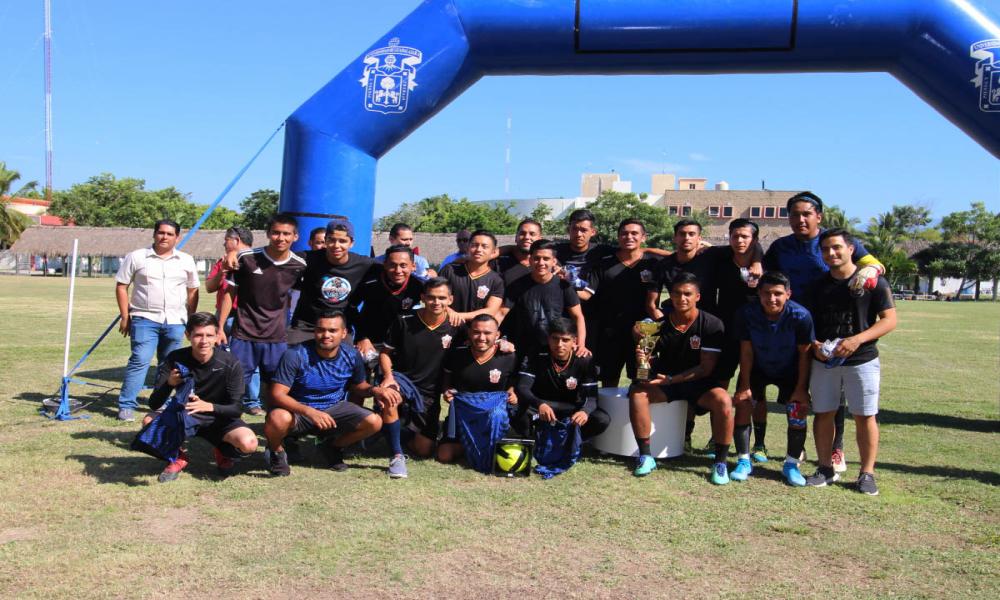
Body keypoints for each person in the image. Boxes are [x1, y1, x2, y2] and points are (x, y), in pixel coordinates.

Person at [763, 191, 885, 473]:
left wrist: (873, 271)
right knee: (802, 388)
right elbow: (766, 276)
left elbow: (873, 264)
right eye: (794, 214)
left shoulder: (834, 241)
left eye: (806, 214)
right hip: (795, 327)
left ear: (819, 216)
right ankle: (799, 446)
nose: (800, 219)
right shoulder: (781, 247)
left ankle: (836, 448)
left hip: (832, 326)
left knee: (835, 394)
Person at [806, 229, 896, 495]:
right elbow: (808, 324)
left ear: (851, 249)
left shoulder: (873, 282)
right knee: (823, 413)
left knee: (865, 415)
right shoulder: (817, 285)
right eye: (825, 249)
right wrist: (815, 346)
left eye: (836, 247)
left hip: (862, 360)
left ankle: (866, 473)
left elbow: (889, 320)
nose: (831, 253)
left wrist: (857, 340)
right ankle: (824, 468)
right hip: (825, 361)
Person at [628, 273, 735, 485]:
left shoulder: (712, 324)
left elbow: (705, 368)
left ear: (698, 297)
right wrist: (641, 356)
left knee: (723, 400)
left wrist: (670, 379)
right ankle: (646, 456)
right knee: (637, 393)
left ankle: (720, 463)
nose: (681, 298)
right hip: (668, 383)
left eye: (687, 294)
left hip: (698, 384)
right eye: (677, 293)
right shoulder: (657, 326)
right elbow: (643, 368)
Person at [265, 311, 388, 476]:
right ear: (314, 331)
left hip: (333, 410)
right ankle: (276, 451)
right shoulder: (294, 354)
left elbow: (358, 386)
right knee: (277, 418)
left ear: (344, 333)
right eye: (321, 330)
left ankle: (332, 446)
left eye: (332, 330)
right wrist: (310, 412)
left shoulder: (351, 355)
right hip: (299, 412)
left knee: (374, 422)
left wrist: (374, 390)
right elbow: (276, 395)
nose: (326, 335)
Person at [146, 312, 258, 482]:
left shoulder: (230, 363)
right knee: (148, 423)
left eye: (209, 335)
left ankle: (223, 449)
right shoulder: (175, 359)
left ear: (217, 336)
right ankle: (178, 457)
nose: (204, 341)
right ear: (188, 335)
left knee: (249, 443)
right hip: (186, 415)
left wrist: (209, 406)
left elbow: (237, 408)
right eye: (198, 335)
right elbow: (154, 404)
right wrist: (169, 383)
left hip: (219, 417)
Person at [217, 214, 306, 418]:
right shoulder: (246, 258)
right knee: (233, 386)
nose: (280, 238)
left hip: (277, 338)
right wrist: (220, 327)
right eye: (276, 232)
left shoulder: (299, 266)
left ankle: (275, 435)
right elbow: (230, 294)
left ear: (295, 236)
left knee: (277, 390)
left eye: (286, 234)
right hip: (243, 335)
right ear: (267, 234)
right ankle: (227, 433)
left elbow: (298, 299)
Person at [732, 271, 815, 486]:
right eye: (766, 293)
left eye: (778, 293)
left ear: (788, 294)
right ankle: (743, 460)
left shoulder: (801, 316)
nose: (772, 299)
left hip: (790, 370)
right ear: (758, 293)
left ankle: (791, 464)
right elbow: (746, 351)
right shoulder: (746, 313)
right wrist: (744, 384)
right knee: (743, 404)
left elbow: (805, 355)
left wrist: (801, 388)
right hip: (758, 367)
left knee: (797, 410)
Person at [114, 219, 200, 421]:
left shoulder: (186, 260)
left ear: (177, 237)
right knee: (140, 360)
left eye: (170, 234)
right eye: (161, 233)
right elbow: (121, 286)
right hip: (145, 317)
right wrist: (125, 316)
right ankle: (127, 405)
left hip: (175, 320)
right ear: (154, 234)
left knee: (169, 365)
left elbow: (193, 289)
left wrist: (190, 319)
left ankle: (160, 402)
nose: (164, 237)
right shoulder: (137, 257)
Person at [379, 277, 463, 460]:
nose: (436, 302)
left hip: (430, 393)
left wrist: (503, 344)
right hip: (401, 380)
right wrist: (388, 377)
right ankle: (396, 453)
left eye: (442, 298)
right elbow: (385, 353)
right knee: (389, 396)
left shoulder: (457, 327)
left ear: (450, 300)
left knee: (424, 450)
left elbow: (481, 342)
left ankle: (391, 430)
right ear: (422, 298)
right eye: (431, 297)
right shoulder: (403, 321)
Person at [585, 219, 660, 387]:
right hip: (610, 332)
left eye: (634, 233)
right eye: (624, 233)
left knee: (643, 378)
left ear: (643, 237)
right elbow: (587, 293)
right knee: (608, 380)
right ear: (618, 237)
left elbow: (677, 257)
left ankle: (638, 412)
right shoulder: (604, 264)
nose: (629, 237)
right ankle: (609, 414)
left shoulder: (654, 264)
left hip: (645, 331)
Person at [438, 315, 519, 466]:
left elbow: (513, 382)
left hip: (492, 416)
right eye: (476, 332)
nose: (481, 337)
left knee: (497, 415)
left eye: (488, 333)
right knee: (444, 455)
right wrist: (447, 391)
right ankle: (473, 446)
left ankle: (485, 444)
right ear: (469, 333)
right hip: (463, 415)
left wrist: (512, 392)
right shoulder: (457, 354)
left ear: (497, 335)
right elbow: (447, 381)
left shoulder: (508, 356)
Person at [514, 318, 610, 443]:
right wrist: (539, 404)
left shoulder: (585, 360)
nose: (559, 344)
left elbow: (591, 397)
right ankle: (533, 440)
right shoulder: (536, 354)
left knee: (601, 419)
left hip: (571, 409)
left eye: (565, 340)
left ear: (574, 341)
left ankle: (571, 442)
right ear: (548, 339)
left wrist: (584, 412)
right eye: (555, 338)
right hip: (541, 407)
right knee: (514, 409)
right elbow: (522, 387)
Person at [289, 218, 374, 345]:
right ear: (326, 240)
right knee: (289, 357)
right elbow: (278, 261)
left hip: (340, 328)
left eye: (342, 241)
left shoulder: (364, 264)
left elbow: (393, 271)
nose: (336, 245)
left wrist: (364, 337)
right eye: (332, 240)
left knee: (352, 361)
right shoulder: (307, 259)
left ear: (351, 243)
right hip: (306, 326)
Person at [205, 226, 262, 415]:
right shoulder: (223, 261)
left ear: (236, 241)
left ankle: (252, 401)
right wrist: (222, 271)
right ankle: (220, 396)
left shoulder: (257, 262)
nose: (224, 243)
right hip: (223, 315)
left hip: (246, 316)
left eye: (226, 239)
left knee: (250, 360)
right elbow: (209, 287)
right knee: (219, 356)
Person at [499, 239, 588, 359]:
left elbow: (578, 316)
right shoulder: (517, 285)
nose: (541, 262)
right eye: (536, 258)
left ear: (554, 261)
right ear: (530, 260)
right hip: (524, 349)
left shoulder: (564, 285)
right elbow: (501, 312)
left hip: (556, 348)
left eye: (546, 259)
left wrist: (581, 344)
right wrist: (490, 334)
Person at [355, 244, 424, 362]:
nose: (398, 271)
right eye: (392, 265)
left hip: (400, 342)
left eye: (403, 265)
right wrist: (362, 337)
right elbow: (350, 307)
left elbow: (436, 304)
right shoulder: (370, 283)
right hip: (370, 341)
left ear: (413, 266)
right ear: (385, 265)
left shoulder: (418, 287)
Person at [438, 230, 505, 325]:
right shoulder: (449, 270)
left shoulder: (496, 280)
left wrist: (459, 316)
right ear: (468, 247)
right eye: (474, 245)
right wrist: (449, 312)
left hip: (476, 333)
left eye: (484, 246)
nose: (479, 249)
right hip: (446, 326)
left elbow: (491, 310)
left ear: (493, 251)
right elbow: (435, 296)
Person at [494, 218, 542, 286]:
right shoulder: (499, 261)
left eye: (532, 234)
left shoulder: (547, 264)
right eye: (522, 233)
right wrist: (509, 248)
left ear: (540, 239)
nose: (527, 237)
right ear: (516, 237)